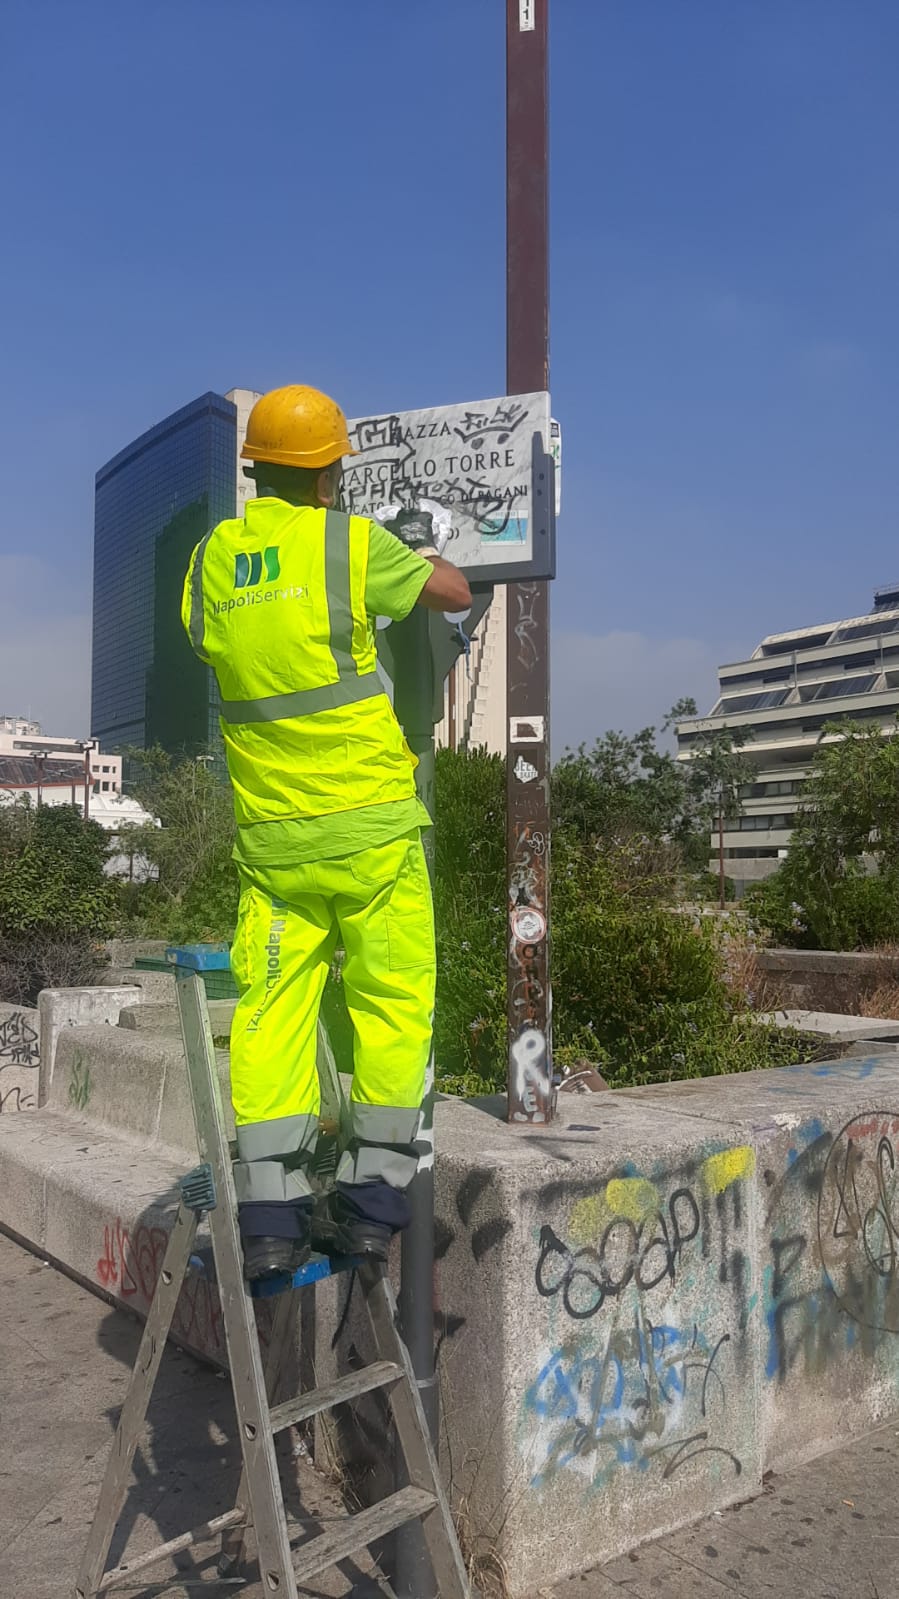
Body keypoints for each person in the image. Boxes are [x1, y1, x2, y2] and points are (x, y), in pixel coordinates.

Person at [182, 383, 470, 1280]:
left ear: (254, 469)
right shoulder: (352, 544)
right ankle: (372, 1205)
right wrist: (418, 552)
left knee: (270, 1010)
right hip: (374, 828)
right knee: (390, 1002)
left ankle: (269, 1209)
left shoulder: (212, 559)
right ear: (331, 473)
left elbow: (206, 640)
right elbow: (452, 591)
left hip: (273, 841)